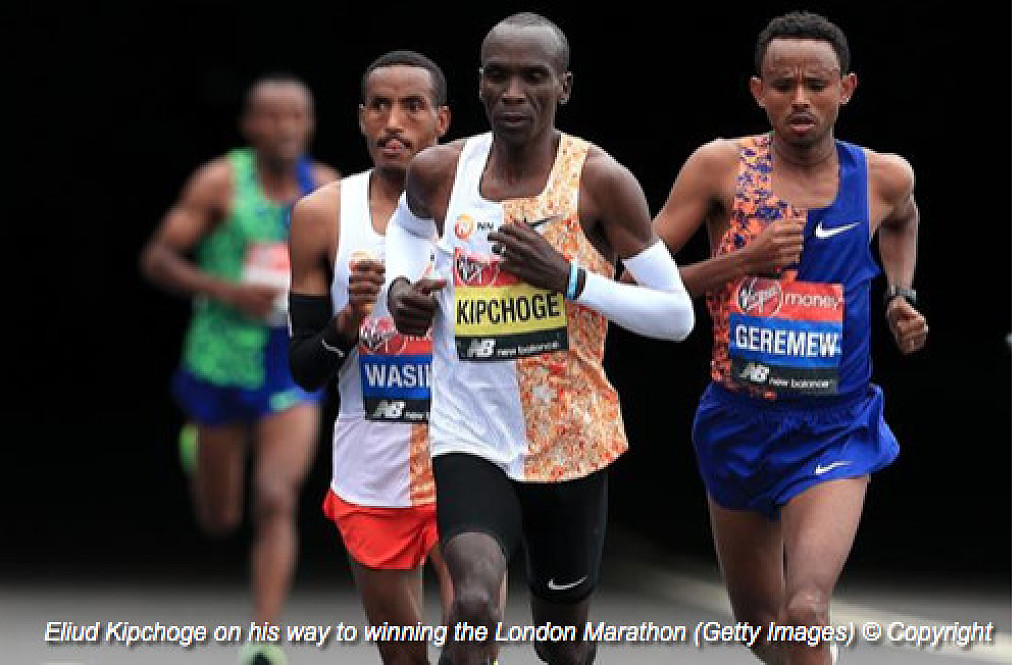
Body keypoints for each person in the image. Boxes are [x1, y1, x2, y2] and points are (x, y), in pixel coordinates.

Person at [385, 13, 695, 665]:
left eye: (533, 77)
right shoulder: (439, 170)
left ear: (565, 86)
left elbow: (676, 316)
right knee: (474, 602)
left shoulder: (600, 181)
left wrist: (571, 279)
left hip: (570, 440)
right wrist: (400, 289)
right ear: (478, 84)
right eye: (498, 76)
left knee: (563, 646)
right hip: (468, 432)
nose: (513, 93)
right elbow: (407, 231)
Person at [651, 11, 928, 664]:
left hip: (835, 424)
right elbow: (637, 281)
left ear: (846, 89)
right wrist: (741, 263)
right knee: (763, 627)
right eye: (782, 85)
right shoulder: (719, 167)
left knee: (805, 609)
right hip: (737, 419)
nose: (800, 98)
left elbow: (903, 219)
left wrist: (900, 294)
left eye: (817, 84)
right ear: (758, 91)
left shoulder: (883, 177)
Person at [139, 73, 339, 665]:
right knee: (221, 517)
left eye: (297, 115)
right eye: (272, 116)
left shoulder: (327, 188)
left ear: (311, 122)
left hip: (290, 365)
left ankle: (265, 637)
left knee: (276, 496)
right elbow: (158, 258)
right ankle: (198, 447)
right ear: (250, 125)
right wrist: (226, 291)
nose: (285, 127)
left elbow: (353, 263)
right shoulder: (220, 182)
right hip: (221, 361)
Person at [286, 50, 455, 665]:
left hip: (467, 445)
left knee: (476, 622)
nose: (393, 122)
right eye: (379, 106)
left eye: (412, 107)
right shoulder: (322, 215)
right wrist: (350, 320)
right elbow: (304, 367)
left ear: (442, 120)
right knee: (403, 654)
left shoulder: (479, 209)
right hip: (372, 453)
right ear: (360, 118)